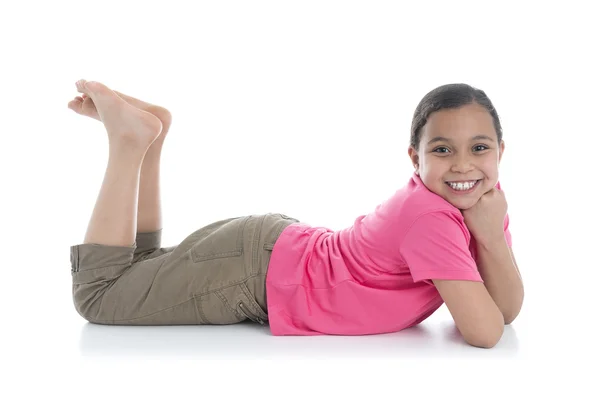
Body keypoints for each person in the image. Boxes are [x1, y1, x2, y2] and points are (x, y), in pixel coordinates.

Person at [68, 80, 524, 348]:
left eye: (479, 148)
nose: (463, 165)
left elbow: (503, 311)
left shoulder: (483, 203)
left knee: (137, 274)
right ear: (414, 158)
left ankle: (151, 138)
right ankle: (129, 144)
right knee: (101, 296)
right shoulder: (433, 218)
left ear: (500, 151)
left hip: (271, 255)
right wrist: (492, 241)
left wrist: (491, 237)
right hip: (253, 274)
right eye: (442, 150)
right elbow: (484, 332)